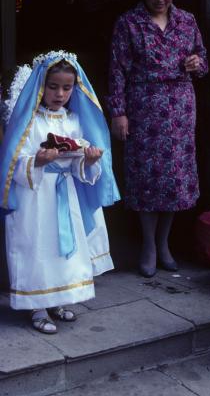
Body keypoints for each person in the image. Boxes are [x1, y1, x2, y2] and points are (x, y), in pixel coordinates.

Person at [0, 50, 120, 333]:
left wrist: (89, 160)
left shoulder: (74, 120)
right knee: (37, 248)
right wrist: (37, 161)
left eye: (67, 87)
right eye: (53, 87)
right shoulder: (30, 122)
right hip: (35, 197)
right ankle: (37, 307)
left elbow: (80, 165)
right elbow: (13, 164)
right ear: (41, 85)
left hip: (65, 193)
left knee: (62, 250)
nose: (60, 93)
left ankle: (59, 300)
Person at [106, 0, 208, 277]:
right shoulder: (128, 23)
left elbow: (203, 62)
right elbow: (117, 70)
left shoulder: (187, 21)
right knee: (147, 179)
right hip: (143, 109)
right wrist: (118, 112)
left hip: (179, 109)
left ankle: (164, 244)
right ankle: (148, 245)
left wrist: (197, 63)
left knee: (174, 180)